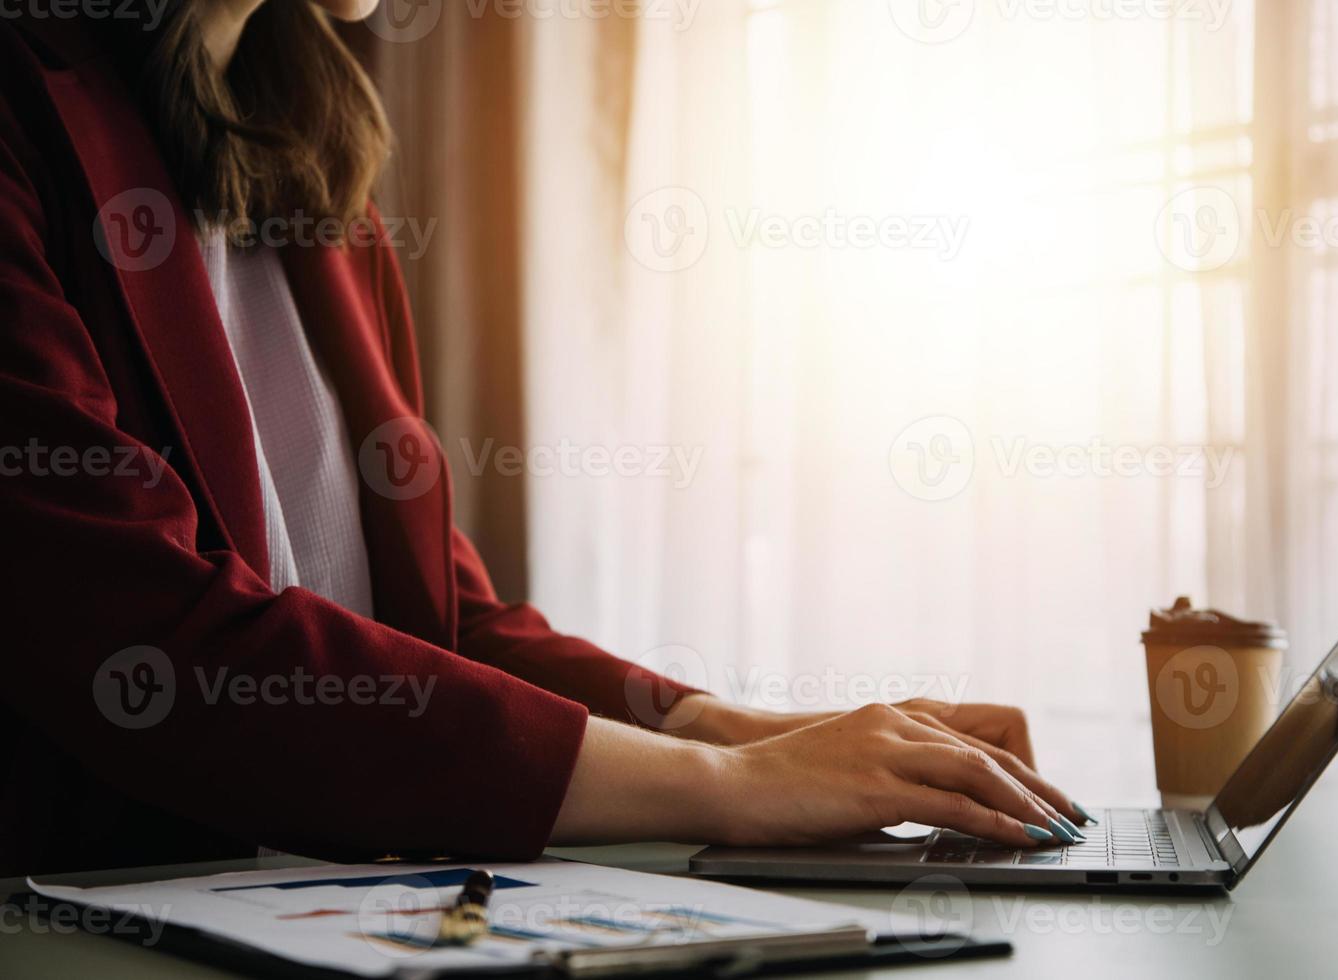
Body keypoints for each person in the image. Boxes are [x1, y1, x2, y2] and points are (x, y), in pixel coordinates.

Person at [0, 0, 1087, 877]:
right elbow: (142, 628)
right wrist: (734, 790)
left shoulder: (320, 181)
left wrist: (729, 729)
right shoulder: (21, 106)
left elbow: (440, 625)